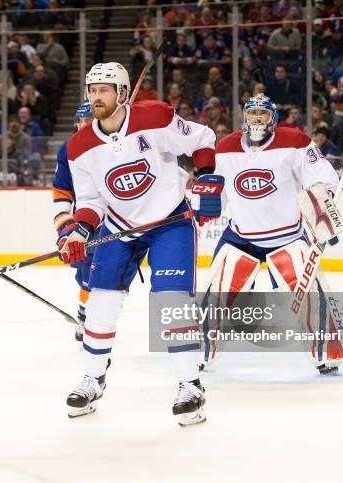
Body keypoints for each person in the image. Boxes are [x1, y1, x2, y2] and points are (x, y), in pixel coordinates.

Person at [59, 62, 220, 426]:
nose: (96, 97)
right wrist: (79, 230)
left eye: (104, 90)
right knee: (100, 302)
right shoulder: (78, 146)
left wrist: (207, 176)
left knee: (172, 301)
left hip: (169, 221)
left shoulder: (156, 118)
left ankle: (189, 384)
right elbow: (89, 201)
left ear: (122, 93)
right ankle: (93, 378)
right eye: (92, 90)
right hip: (120, 227)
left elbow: (202, 138)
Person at [204, 94, 343, 375]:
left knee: (312, 291)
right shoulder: (225, 147)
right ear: (244, 117)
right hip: (240, 236)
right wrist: (204, 205)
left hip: (287, 236)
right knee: (213, 292)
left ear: (274, 119)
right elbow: (216, 192)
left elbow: (323, 178)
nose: (258, 118)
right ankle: (199, 351)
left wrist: (323, 204)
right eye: (253, 113)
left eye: (263, 114)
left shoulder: (295, 142)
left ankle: (326, 352)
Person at [52, 102, 94, 341]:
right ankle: (84, 314)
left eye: (90, 119)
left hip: (114, 221)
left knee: (101, 275)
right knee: (84, 272)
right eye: (82, 120)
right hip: (84, 223)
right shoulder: (68, 149)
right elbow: (62, 192)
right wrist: (66, 227)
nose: (86, 125)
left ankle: (92, 318)